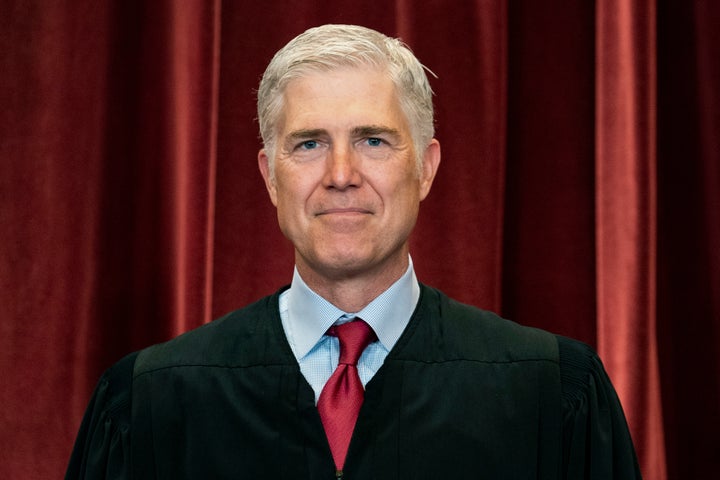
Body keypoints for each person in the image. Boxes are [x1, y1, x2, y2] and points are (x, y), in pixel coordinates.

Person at [66, 24, 641, 479]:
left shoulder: (551, 396)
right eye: (309, 143)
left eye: (373, 140)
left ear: (426, 168)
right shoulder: (150, 404)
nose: (341, 175)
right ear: (271, 177)